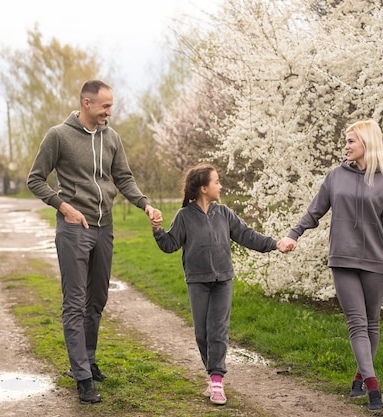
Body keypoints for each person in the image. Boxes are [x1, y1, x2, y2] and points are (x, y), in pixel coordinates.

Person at [27, 79, 161, 404]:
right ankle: (83, 378)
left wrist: (145, 204)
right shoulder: (58, 135)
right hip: (74, 228)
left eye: (111, 106)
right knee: (74, 303)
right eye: (105, 106)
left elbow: (123, 178)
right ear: (86, 103)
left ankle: (86, 360)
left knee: (97, 300)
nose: (109, 112)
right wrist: (63, 206)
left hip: (105, 227)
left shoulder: (111, 137)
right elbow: (34, 179)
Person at [280, 119, 383, 411]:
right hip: (343, 257)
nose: (346, 146)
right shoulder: (335, 175)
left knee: (372, 323)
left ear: (367, 143)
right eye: (346, 141)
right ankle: (373, 386)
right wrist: (292, 235)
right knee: (357, 322)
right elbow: (315, 211)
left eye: (351, 141)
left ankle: (359, 376)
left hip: (377, 259)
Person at [150, 163, 286, 406]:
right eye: (216, 182)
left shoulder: (224, 213)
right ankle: (212, 375)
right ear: (203, 188)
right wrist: (158, 230)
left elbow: (247, 235)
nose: (220, 185)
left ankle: (216, 379)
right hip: (197, 281)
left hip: (223, 280)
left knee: (218, 330)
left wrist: (274, 244)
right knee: (202, 334)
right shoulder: (184, 216)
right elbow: (170, 245)